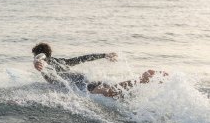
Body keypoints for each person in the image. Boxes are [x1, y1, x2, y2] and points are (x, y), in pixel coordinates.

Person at [32, 42, 166, 98]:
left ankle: (142, 79)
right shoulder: (61, 61)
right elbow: (83, 58)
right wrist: (103, 55)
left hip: (81, 84)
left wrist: (38, 61)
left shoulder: (45, 63)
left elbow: (41, 57)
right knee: (118, 94)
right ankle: (145, 81)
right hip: (86, 79)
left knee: (109, 92)